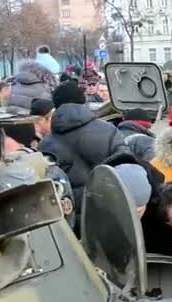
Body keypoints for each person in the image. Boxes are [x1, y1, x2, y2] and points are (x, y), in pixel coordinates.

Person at [39, 81, 129, 226]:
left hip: (69, 218)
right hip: (110, 210)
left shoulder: (46, 143)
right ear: (83, 100)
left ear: (55, 105)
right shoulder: (109, 130)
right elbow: (127, 167)